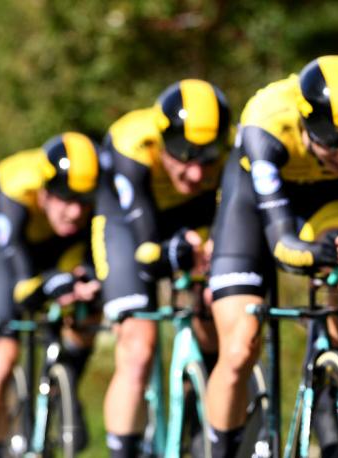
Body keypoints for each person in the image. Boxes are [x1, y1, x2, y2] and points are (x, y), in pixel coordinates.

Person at [205, 54, 338, 457]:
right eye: (333, 140)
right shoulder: (267, 121)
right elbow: (282, 246)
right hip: (251, 207)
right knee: (241, 347)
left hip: (324, 201)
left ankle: (330, 382)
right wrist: (313, 255)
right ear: (304, 121)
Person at [92, 78, 231, 457]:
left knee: (217, 313)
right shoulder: (132, 142)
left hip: (192, 217)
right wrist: (172, 253)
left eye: (206, 158)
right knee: (138, 349)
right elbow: (147, 248)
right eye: (183, 155)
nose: (196, 172)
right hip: (129, 225)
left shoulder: (231, 141)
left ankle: (200, 415)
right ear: (161, 141)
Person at [0, 132, 101, 456]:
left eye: (83, 200)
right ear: (43, 194)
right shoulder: (17, 186)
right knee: (3, 352)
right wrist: (46, 283)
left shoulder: (81, 208)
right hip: (3, 251)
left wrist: (83, 284)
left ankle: (64, 383)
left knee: (87, 309)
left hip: (55, 246)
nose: (75, 211)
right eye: (65, 198)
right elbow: (20, 277)